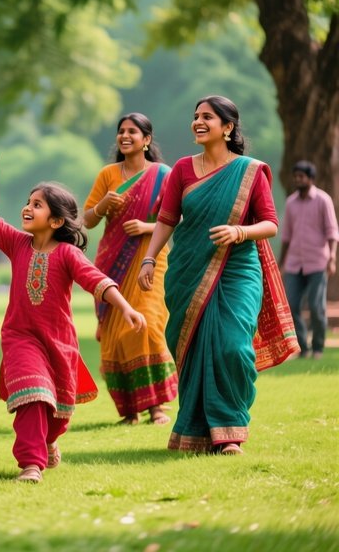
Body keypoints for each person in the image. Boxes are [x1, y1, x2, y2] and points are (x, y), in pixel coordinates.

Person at [138, 95, 300, 455]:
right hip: (188, 271)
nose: (198, 122)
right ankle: (197, 432)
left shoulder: (249, 171)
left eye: (207, 117)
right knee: (194, 348)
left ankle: (230, 432)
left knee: (233, 347)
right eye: (195, 116)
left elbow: (271, 224)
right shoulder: (181, 168)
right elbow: (166, 220)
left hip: (238, 269)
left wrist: (239, 232)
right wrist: (149, 259)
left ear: (227, 128)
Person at [0, 149, 146, 483]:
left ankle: (50, 440)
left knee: (59, 411)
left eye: (37, 204)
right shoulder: (17, 244)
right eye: (29, 201)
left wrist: (125, 307)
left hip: (59, 342)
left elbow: (96, 281)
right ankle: (31, 464)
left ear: (56, 221)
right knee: (32, 396)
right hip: (20, 337)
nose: (27, 206)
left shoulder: (68, 253)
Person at [84, 113, 178, 426]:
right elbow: (86, 220)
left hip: (151, 259)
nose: (125, 137)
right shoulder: (108, 175)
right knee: (116, 335)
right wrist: (101, 207)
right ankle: (129, 411)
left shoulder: (164, 175)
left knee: (147, 327)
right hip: (112, 263)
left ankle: (157, 408)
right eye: (121, 132)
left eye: (132, 132)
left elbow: (177, 218)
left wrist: (147, 226)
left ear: (147, 140)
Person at [279, 160, 339, 360]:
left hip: (317, 263)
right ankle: (303, 348)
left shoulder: (323, 200)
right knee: (292, 305)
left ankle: (318, 348)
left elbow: (332, 232)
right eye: (295, 176)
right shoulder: (290, 203)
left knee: (315, 306)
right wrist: (281, 263)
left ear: (311, 179)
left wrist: (332, 257)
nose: (297, 180)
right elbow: (286, 236)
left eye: (301, 176)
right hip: (295, 263)